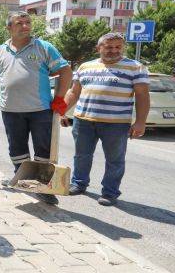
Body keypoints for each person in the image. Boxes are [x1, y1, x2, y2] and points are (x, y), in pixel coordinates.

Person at [0, 11, 72, 205]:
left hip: (40, 109)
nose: (26, 26)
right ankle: (22, 179)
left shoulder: (43, 47)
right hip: (10, 110)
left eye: (28, 23)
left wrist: (60, 98)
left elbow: (65, 71)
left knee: (43, 150)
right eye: (20, 23)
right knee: (16, 148)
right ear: (9, 27)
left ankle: (43, 188)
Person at [62, 32, 149, 206]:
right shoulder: (85, 66)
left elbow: (142, 95)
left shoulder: (135, 67)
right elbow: (74, 92)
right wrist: (62, 111)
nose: (114, 51)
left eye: (118, 47)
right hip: (83, 120)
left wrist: (140, 122)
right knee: (82, 155)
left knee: (115, 160)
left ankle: (110, 192)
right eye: (109, 47)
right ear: (99, 48)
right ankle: (79, 184)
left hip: (116, 124)